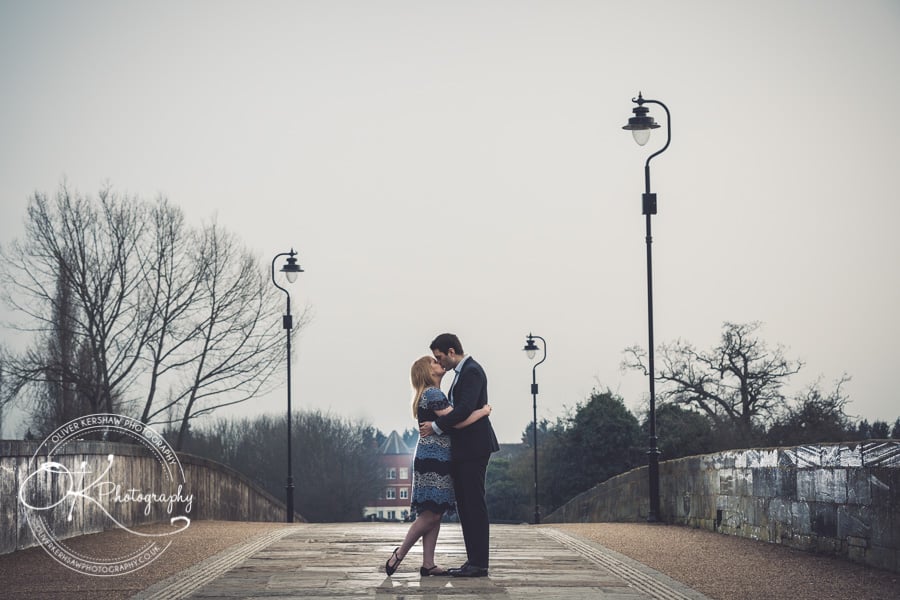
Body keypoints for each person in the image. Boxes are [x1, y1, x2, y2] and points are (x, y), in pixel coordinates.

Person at [384, 355, 492, 577]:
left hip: (434, 457)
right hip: (434, 459)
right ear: (427, 371)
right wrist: (483, 412)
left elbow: (447, 421)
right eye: (433, 362)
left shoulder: (431, 393)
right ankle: (399, 554)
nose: (439, 363)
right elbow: (457, 421)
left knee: (435, 511)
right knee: (431, 514)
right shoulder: (433, 394)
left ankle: (428, 564)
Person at [419, 333, 499, 578]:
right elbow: (461, 411)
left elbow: (463, 410)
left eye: (440, 356)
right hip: (465, 450)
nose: (440, 362)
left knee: (474, 504)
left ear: (451, 352)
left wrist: (435, 426)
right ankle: (473, 561)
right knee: (466, 505)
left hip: (474, 448)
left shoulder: (472, 371)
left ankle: (479, 564)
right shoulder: (462, 373)